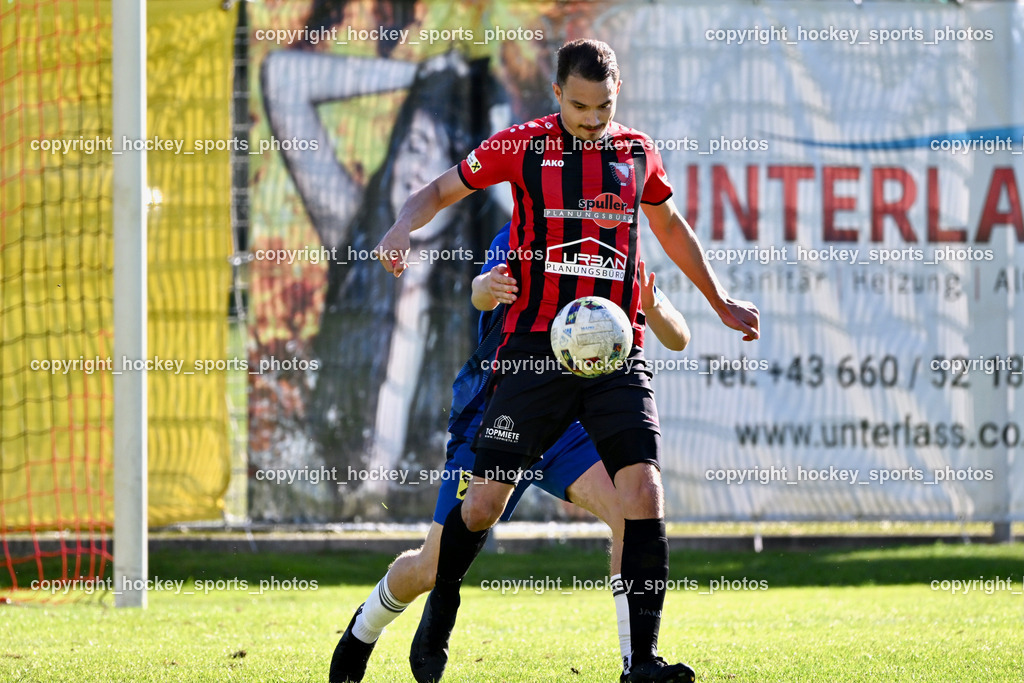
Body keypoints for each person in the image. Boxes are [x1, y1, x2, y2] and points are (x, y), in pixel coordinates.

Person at [375, 39, 760, 683]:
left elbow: (669, 227)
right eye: (579, 106)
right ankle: (440, 602)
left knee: (644, 492)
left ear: (618, 96)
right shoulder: (522, 145)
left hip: (614, 354)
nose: (591, 119)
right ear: (557, 94)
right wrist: (399, 229)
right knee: (479, 511)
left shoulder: (636, 152)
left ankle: (641, 663)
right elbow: (439, 190)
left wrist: (718, 301)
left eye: (603, 107)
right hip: (532, 356)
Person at [330, 223, 691, 683]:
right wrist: (486, 285)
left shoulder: (615, 242)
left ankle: (635, 662)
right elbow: (481, 294)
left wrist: (654, 303)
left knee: (631, 514)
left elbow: (679, 338)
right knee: (431, 567)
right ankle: (362, 631)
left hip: (565, 429)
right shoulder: (520, 234)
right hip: (497, 417)